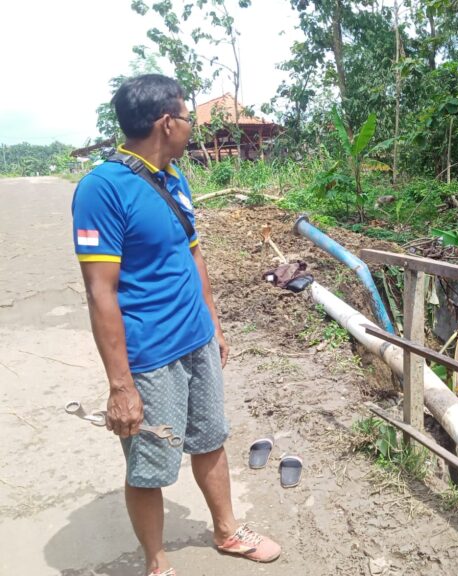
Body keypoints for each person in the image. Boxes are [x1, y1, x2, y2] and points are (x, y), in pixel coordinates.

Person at [71, 74, 281, 576]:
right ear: (167, 123)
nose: (191, 127)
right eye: (187, 118)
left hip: (196, 341)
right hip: (150, 357)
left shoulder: (173, 178)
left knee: (211, 438)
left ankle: (228, 531)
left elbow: (192, 254)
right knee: (149, 467)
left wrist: (214, 324)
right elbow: (100, 292)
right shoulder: (102, 189)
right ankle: (157, 562)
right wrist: (121, 384)